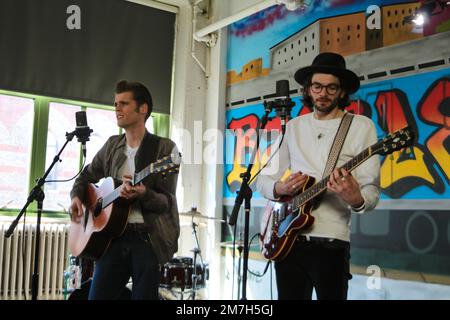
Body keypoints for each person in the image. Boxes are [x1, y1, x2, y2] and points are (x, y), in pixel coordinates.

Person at [256, 52, 380, 300]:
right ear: (308, 89)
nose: (323, 93)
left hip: (331, 243)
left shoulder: (360, 126)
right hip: (288, 239)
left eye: (331, 88)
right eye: (317, 86)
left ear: (342, 92)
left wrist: (355, 198)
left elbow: (371, 191)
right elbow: (263, 180)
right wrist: (281, 188)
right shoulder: (293, 127)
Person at [69, 80, 180, 299]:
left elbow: (166, 202)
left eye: (124, 103)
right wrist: (76, 198)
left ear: (143, 109)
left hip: (147, 238)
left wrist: (144, 194)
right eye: (116, 104)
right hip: (112, 239)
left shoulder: (164, 149)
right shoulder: (112, 145)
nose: (117, 108)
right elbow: (85, 176)